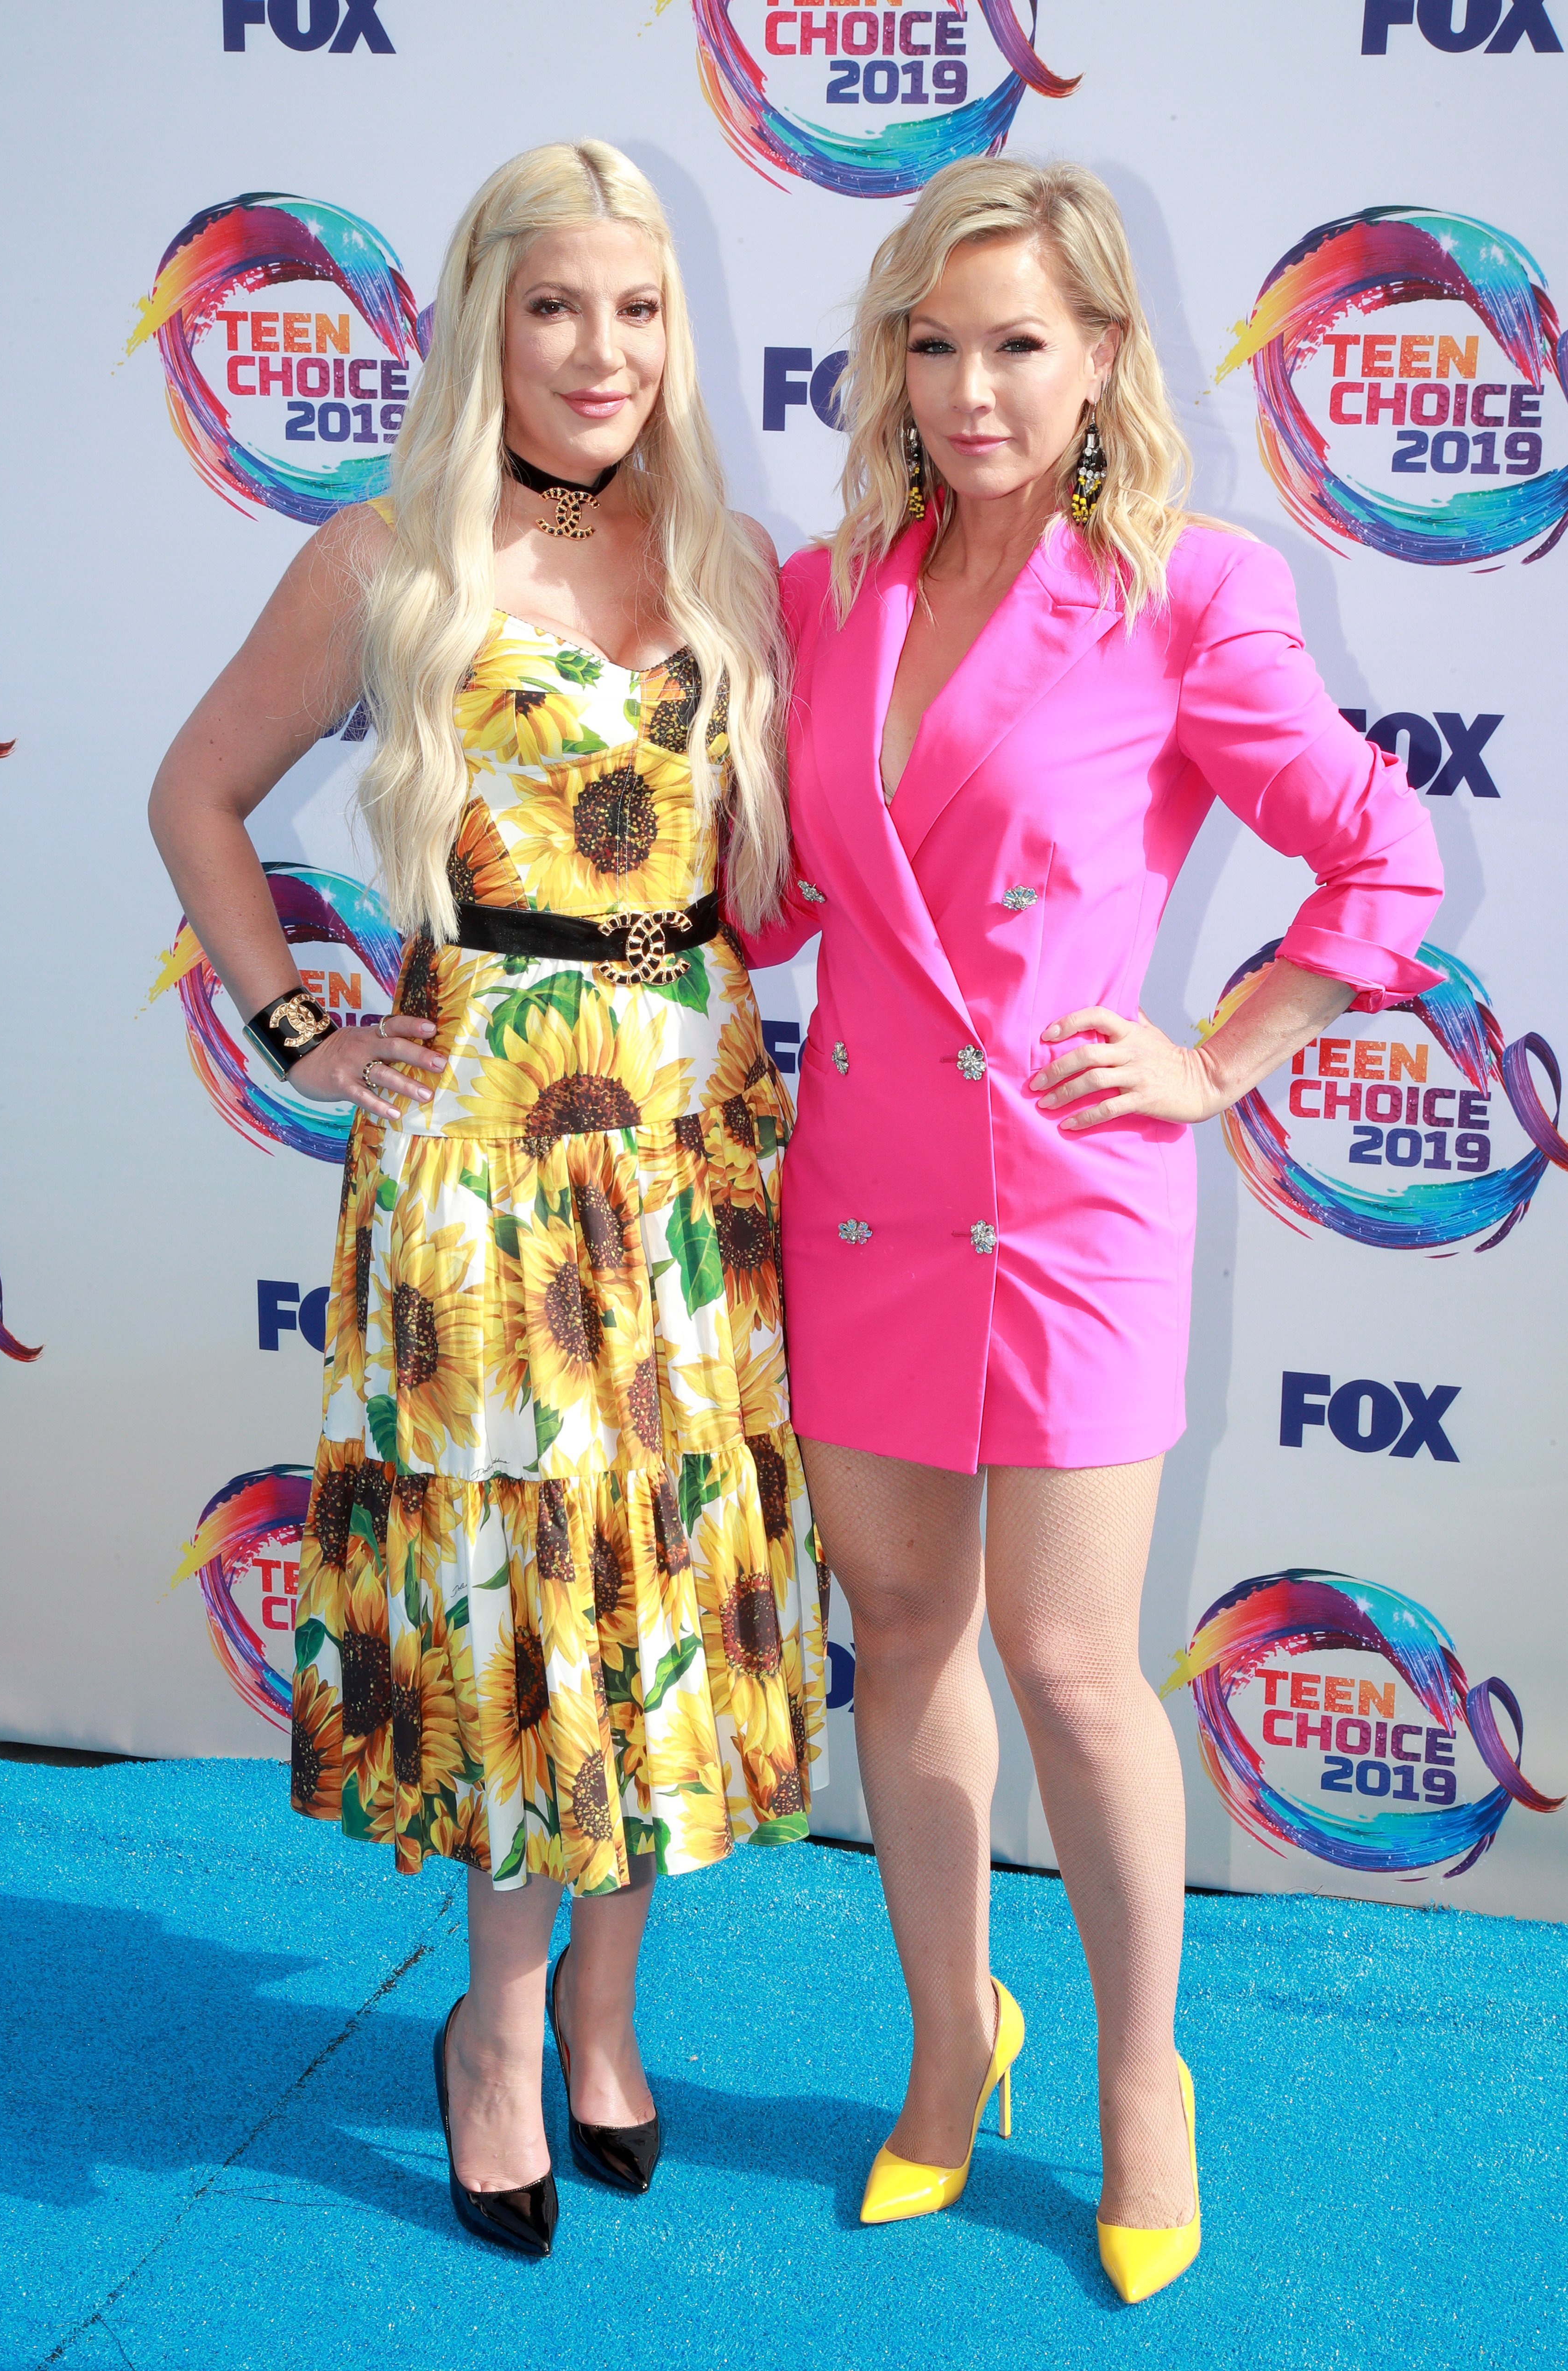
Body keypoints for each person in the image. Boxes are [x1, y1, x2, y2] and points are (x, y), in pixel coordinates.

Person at [747, 158, 1442, 2303]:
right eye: (931, 345)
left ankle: (1143, 2071)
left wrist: (1224, 1053)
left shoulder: (1188, 589)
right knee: (905, 1628)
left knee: (1069, 1659)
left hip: (1065, 1195)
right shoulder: (815, 590)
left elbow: (1379, 856)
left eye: (1018, 343)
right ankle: (955, 2034)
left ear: (1105, 358)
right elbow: (773, 901)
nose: (971, 389)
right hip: (858, 1184)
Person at [148, 141, 828, 2258]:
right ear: (480, 324)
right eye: (556, 308)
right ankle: (500, 2029)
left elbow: (779, 885)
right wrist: (293, 1024)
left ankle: (614, 2016)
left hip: (694, 1138)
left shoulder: (731, 555)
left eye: (635, 310)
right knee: (526, 1600)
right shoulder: (386, 557)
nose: (600, 351)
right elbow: (196, 790)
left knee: (659, 1584)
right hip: (481, 1155)